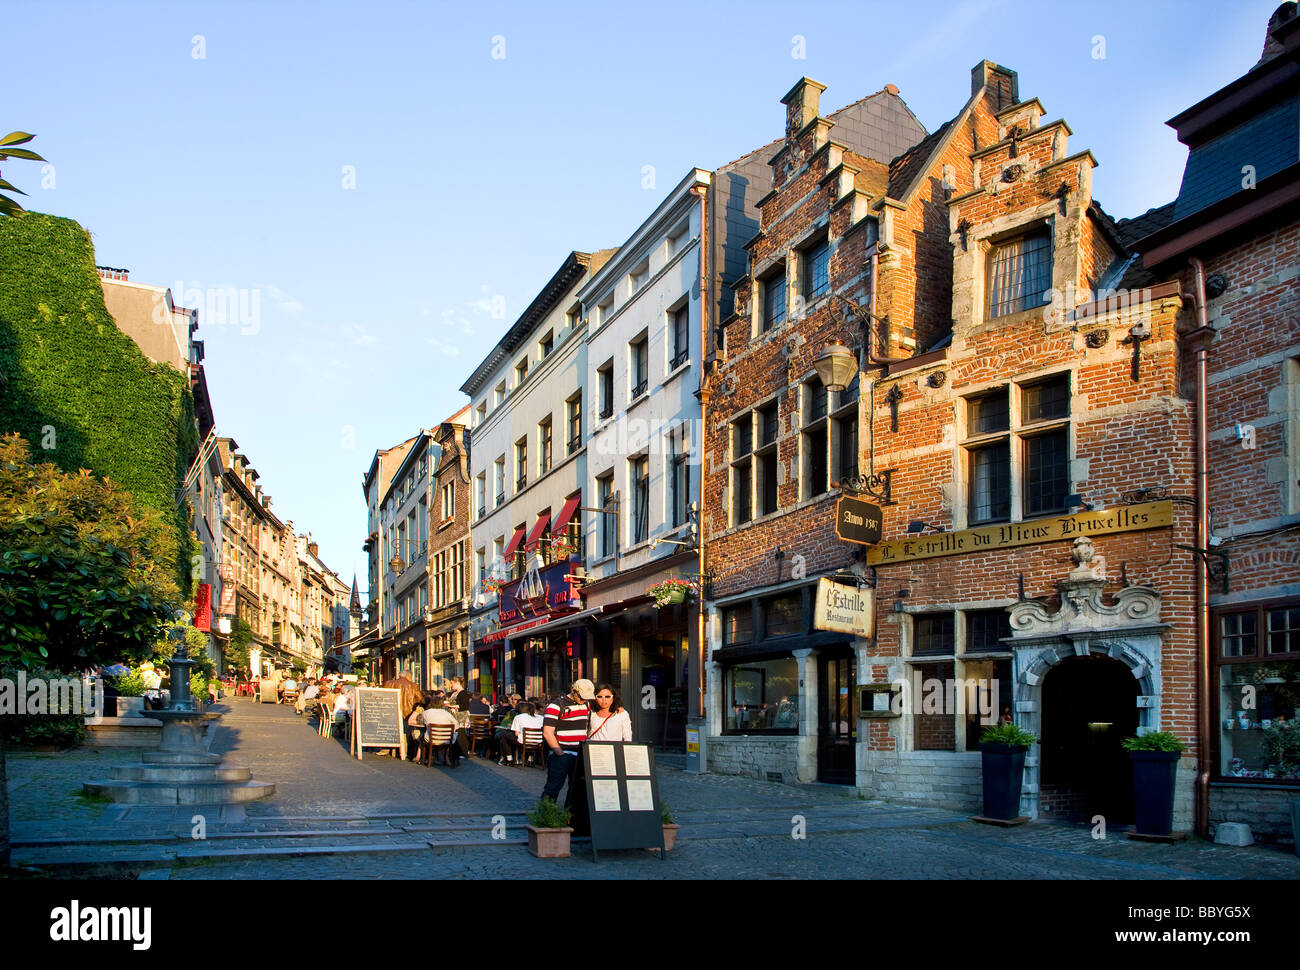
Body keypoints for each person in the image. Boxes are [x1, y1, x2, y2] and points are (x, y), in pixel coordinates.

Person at [540, 679, 593, 805]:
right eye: (582, 697)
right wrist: (560, 753)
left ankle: (569, 817)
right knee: (553, 788)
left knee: (575, 790)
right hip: (562, 753)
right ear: (573, 691)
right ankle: (544, 816)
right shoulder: (556, 705)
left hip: (579, 753)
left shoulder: (587, 704)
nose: (584, 700)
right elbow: (547, 732)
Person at [421, 696, 461, 766]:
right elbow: (456, 725)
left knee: (422, 735)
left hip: (431, 738)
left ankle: (427, 757)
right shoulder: (447, 714)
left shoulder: (426, 713)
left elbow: (421, 722)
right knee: (456, 736)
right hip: (446, 739)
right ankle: (451, 759)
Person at [500, 701, 543, 765]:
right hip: (538, 742)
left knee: (504, 734)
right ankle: (530, 759)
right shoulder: (541, 717)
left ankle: (509, 758)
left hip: (523, 742)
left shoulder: (519, 717)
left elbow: (516, 733)